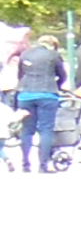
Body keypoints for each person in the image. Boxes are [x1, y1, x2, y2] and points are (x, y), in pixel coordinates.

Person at [9, 27, 61, 172]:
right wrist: (57, 86)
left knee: (27, 130)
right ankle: (43, 166)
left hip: (26, 94)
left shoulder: (25, 54)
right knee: (46, 130)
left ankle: (26, 164)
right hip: (47, 94)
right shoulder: (53, 55)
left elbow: (20, 75)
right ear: (52, 45)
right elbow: (62, 75)